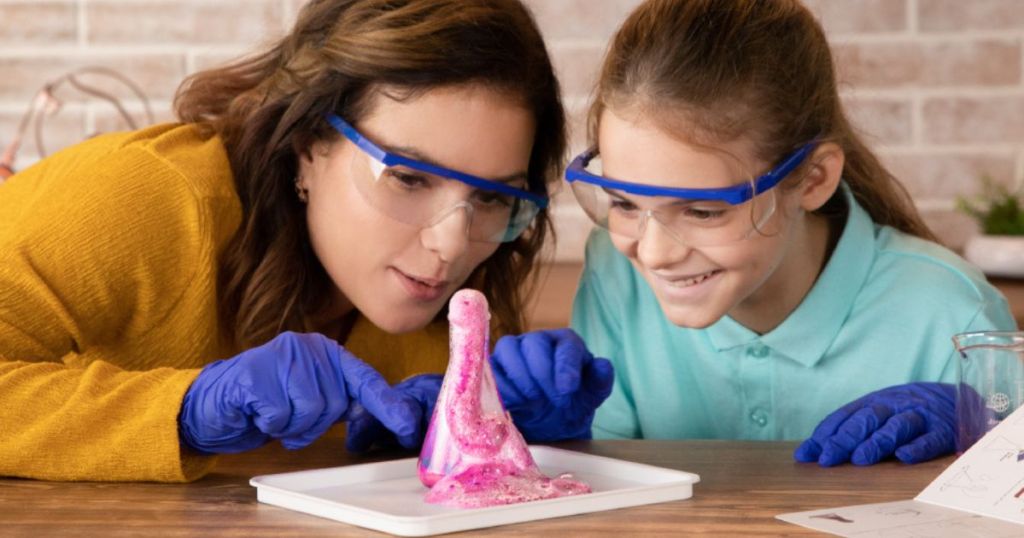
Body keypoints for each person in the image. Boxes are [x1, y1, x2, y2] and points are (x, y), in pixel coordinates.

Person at [0, 0, 612, 483]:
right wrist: (185, 411)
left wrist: (526, 437)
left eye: (492, 197)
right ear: (309, 143)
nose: (454, 243)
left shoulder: (463, 294)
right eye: (407, 177)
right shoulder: (141, 198)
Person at [565, 0, 1017, 466]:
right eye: (623, 203)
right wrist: (554, 436)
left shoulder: (952, 313)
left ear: (815, 178)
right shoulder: (615, 272)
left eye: (702, 212)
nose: (655, 254)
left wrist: (992, 442)